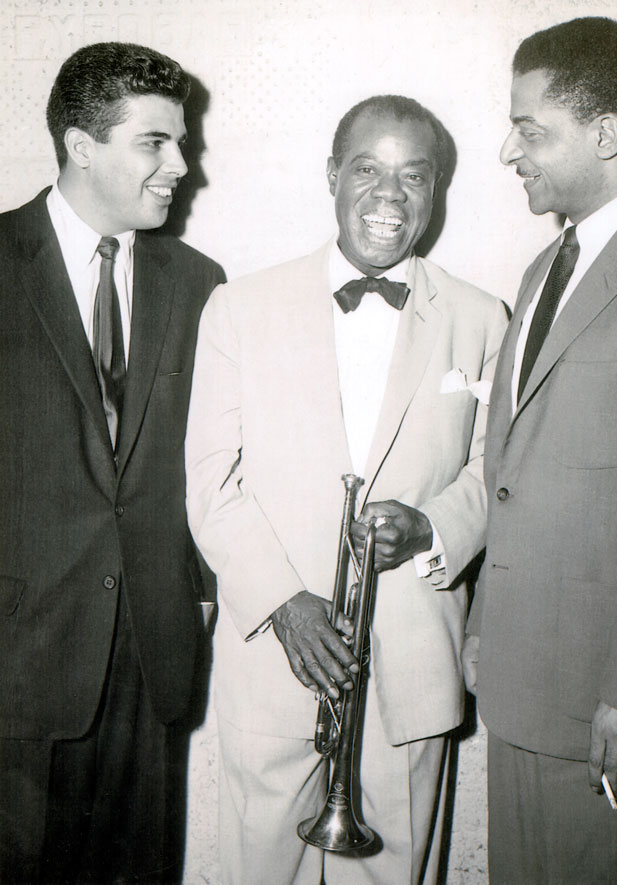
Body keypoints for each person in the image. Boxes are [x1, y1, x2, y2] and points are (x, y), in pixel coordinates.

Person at [185, 94, 507, 884]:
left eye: (414, 176)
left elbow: (495, 475)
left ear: (437, 191)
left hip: (411, 670)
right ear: (333, 175)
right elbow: (210, 482)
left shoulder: (482, 317)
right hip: (275, 666)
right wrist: (287, 604)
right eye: (367, 169)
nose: (390, 197)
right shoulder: (239, 308)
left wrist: (431, 530)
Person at [464, 16, 617, 883]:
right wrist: (485, 620)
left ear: (604, 134)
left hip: (616, 712)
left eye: (529, 129)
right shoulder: (543, 270)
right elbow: (515, 476)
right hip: (522, 692)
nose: (506, 150)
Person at [0, 42, 225, 883]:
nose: (181, 164)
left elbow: (203, 456)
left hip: (151, 658)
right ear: (80, 145)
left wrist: (200, 593)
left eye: (182, 140)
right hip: (16, 663)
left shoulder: (199, 282)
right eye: (155, 142)